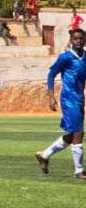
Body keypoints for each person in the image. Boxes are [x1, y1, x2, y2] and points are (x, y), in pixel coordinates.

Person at [37, 30, 86, 178]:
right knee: (79, 133)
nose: (78, 41)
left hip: (79, 98)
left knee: (71, 135)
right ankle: (78, 170)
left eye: (81, 38)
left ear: (84, 40)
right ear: (71, 40)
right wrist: (51, 96)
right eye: (75, 38)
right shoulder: (66, 57)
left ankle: (44, 155)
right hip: (68, 98)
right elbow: (51, 74)